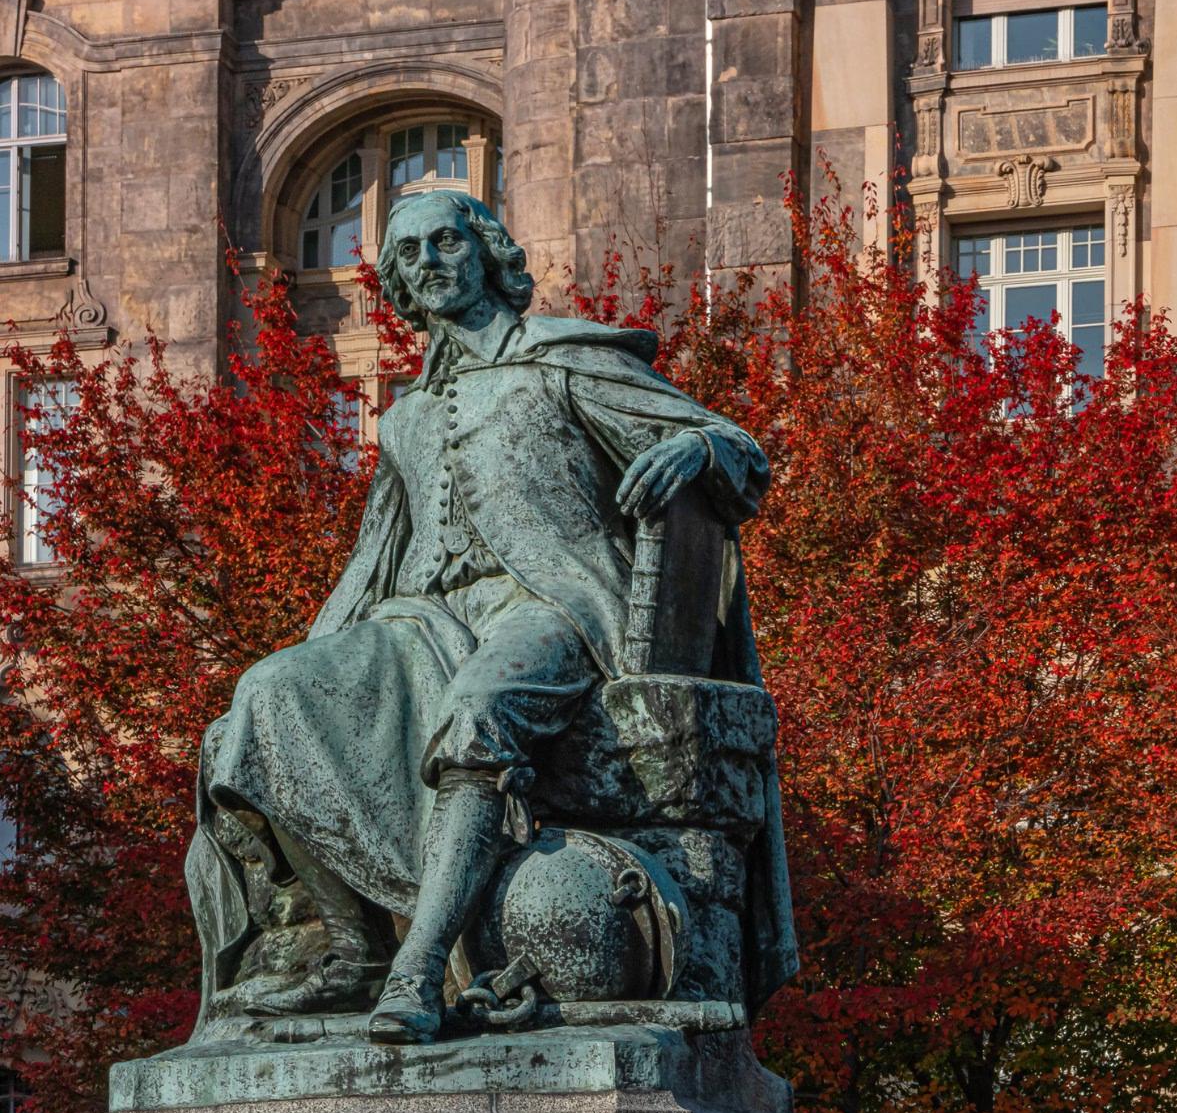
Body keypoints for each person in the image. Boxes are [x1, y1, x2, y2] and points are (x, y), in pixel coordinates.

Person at [183, 190, 796, 1045]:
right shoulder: (405, 416)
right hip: (423, 615)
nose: (428, 263)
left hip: (550, 603)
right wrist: (319, 662)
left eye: (445, 242)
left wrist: (695, 447)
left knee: (478, 711)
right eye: (407, 254)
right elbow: (374, 559)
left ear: (486, 254)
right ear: (397, 283)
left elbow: (741, 451)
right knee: (267, 696)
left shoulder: (562, 362)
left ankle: (419, 967)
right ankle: (357, 949)